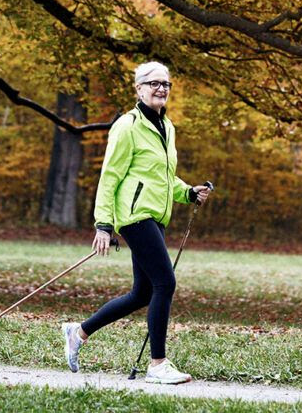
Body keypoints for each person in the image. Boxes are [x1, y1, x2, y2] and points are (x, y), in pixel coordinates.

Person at [61, 61, 211, 384]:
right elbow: (110, 176)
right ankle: (158, 364)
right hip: (133, 216)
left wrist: (187, 192)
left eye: (166, 84)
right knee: (165, 283)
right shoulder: (127, 126)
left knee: (142, 293)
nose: (161, 89)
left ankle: (79, 332)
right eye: (154, 83)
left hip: (156, 216)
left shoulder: (166, 127)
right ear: (139, 89)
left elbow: (163, 177)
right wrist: (103, 224)